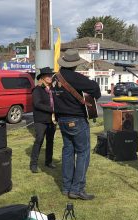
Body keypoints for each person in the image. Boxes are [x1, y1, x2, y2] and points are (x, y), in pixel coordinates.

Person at [54, 49, 101, 200]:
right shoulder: (74, 77)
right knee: (83, 153)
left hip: (62, 119)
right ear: (74, 64)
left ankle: (66, 187)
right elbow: (94, 88)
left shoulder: (56, 77)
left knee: (68, 152)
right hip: (77, 119)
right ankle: (77, 189)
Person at [30, 67, 56, 173]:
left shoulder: (53, 89)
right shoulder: (37, 89)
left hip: (52, 120)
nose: (50, 77)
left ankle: (48, 162)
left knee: (50, 141)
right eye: (48, 76)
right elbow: (37, 104)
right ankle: (33, 164)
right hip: (41, 120)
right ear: (43, 77)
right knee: (39, 140)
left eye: (51, 76)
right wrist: (52, 109)